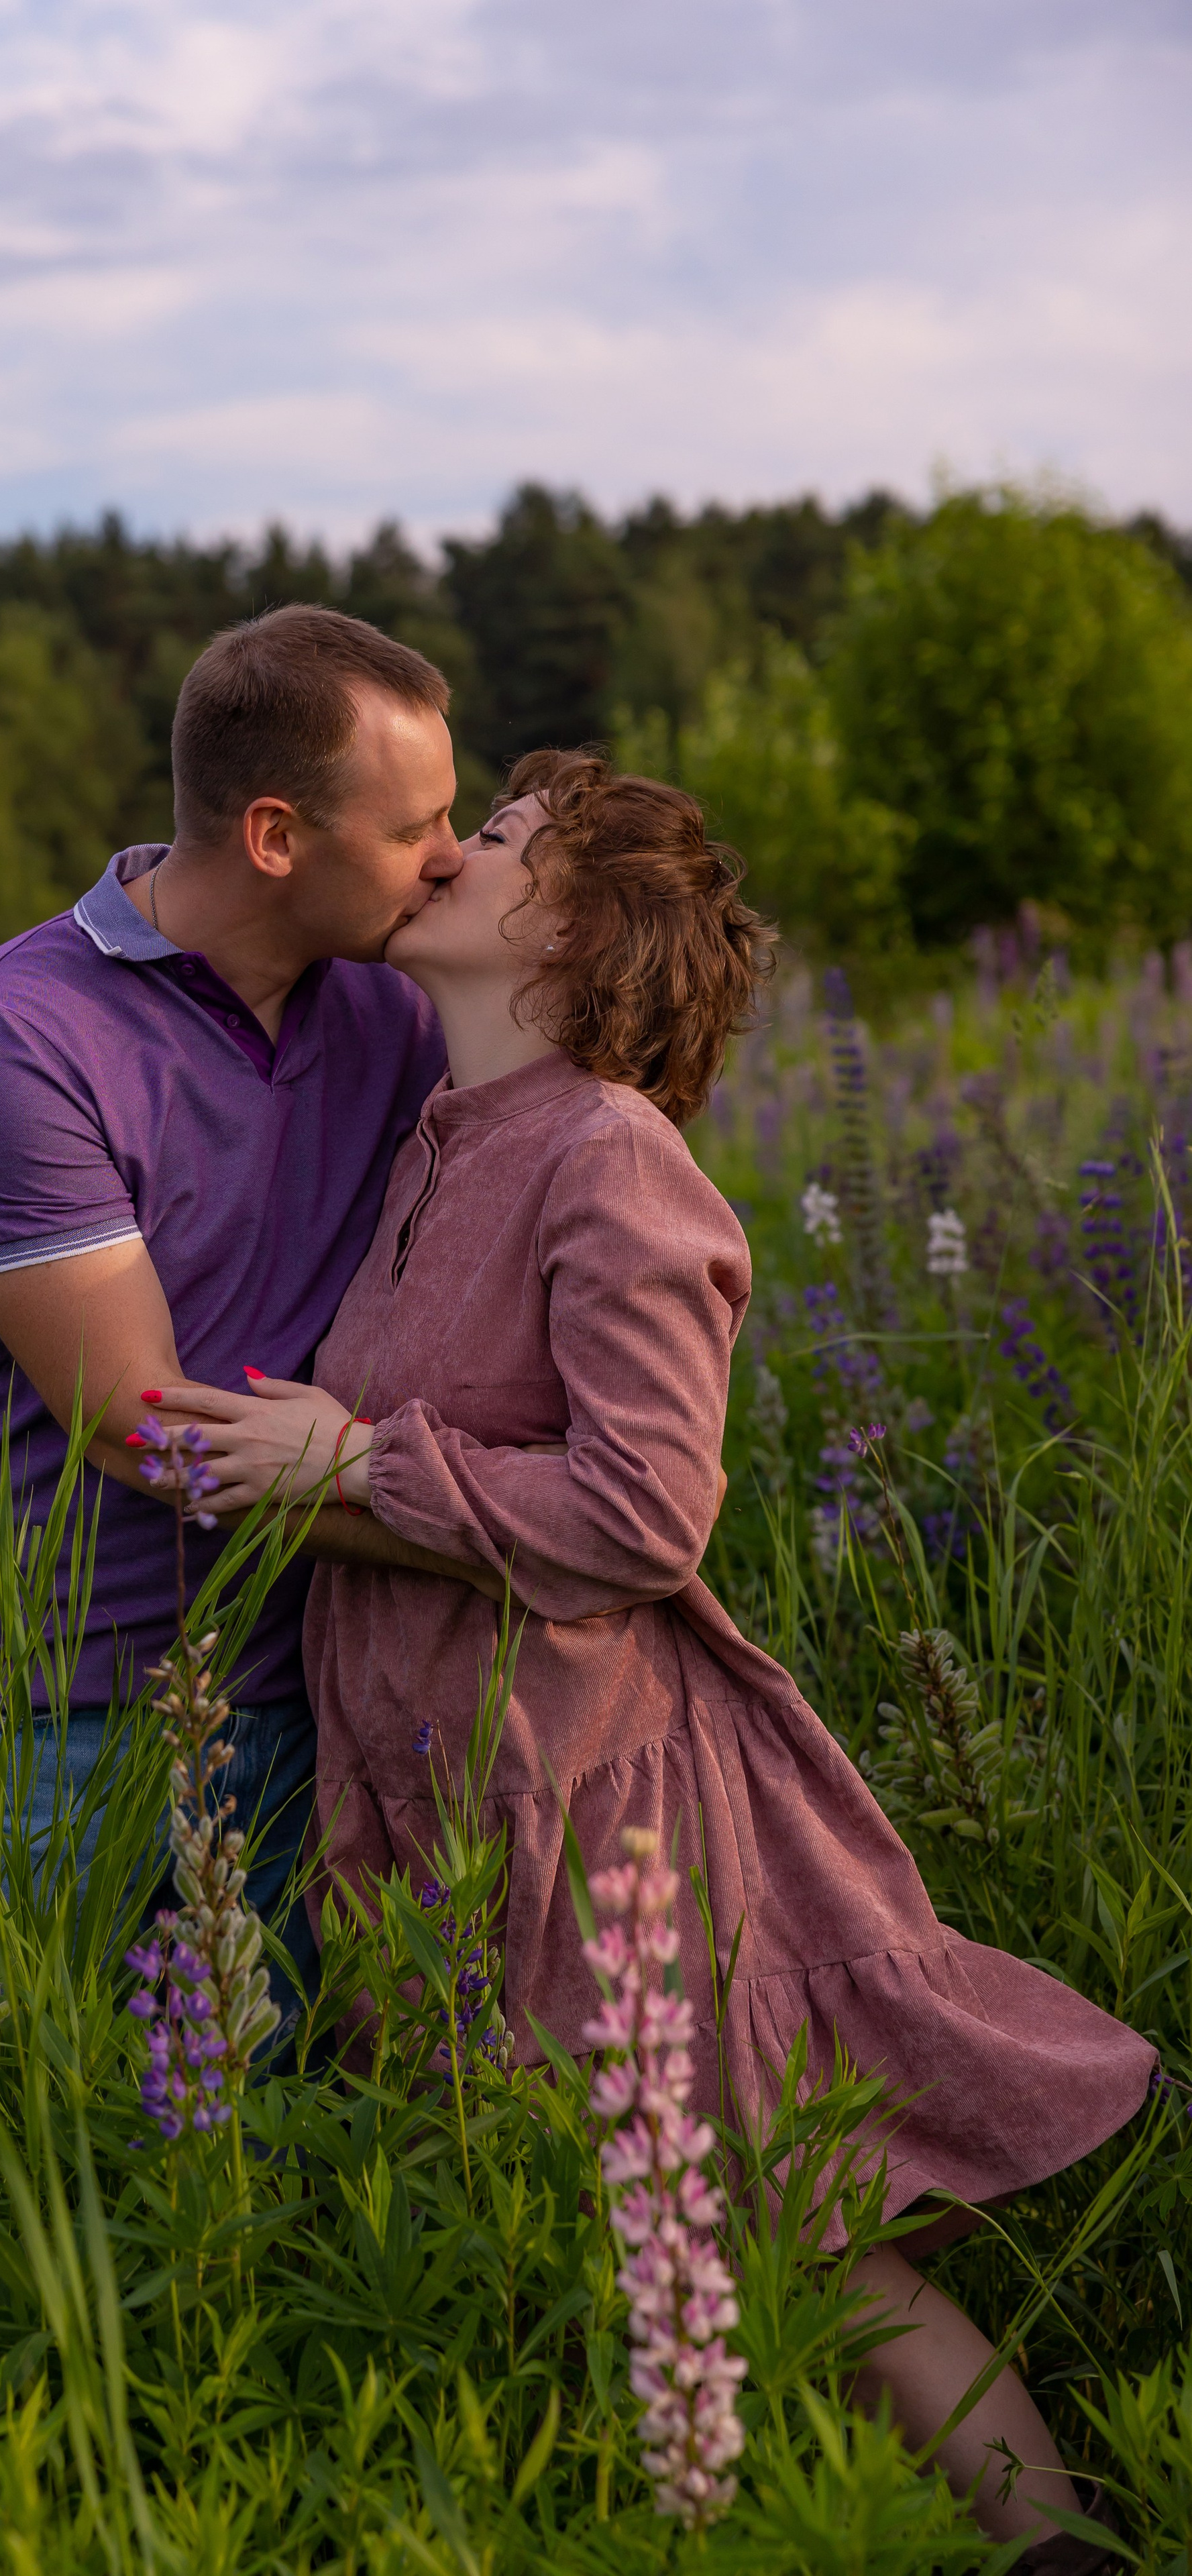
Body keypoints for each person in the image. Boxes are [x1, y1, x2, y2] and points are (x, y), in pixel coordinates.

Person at [156, 750, 1154, 2564]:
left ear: (584, 931)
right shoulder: (439, 1143)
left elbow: (642, 1516)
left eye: (510, 842)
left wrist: (351, 1463)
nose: (455, 849)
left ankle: (1051, 2546)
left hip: (597, 1798)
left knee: (775, 2205)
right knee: (580, 2223)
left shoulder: (613, 1154)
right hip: (440, 1799)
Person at [0, 604, 498, 2005]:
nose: (450, 855)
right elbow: (129, 1421)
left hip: (329, 1676)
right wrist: (491, 1532)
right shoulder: (17, 1035)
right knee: (63, 2145)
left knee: (289, 2141)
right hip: (63, 1704)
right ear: (276, 836)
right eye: (414, 821)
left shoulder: (401, 1008)